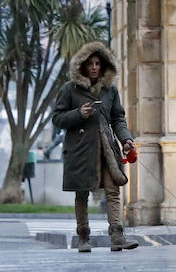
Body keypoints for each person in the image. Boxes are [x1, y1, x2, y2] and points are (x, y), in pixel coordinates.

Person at [52, 40, 138, 252]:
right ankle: (83, 237)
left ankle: (117, 237)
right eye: (90, 63)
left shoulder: (110, 91)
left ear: (104, 65)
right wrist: (78, 114)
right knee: (82, 193)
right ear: (82, 65)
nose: (94, 67)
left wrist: (126, 139)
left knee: (113, 190)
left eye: (98, 63)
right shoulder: (69, 89)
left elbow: (118, 117)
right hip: (80, 150)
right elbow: (57, 118)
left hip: (107, 148)